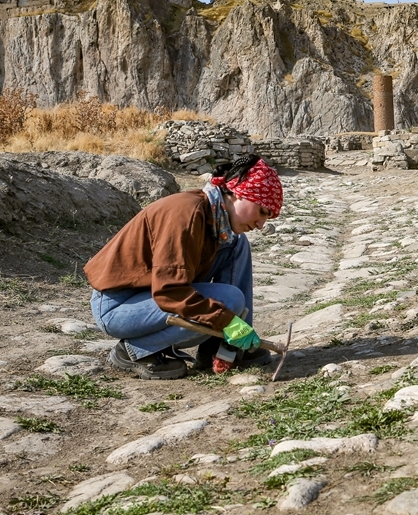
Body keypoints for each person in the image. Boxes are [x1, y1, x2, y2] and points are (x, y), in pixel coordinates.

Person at [84, 155, 282, 379]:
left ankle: (224, 348)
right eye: (262, 211)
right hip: (118, 306)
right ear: (237, 193)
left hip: (149, 295)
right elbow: (170, 291)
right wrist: (226, 321)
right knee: (229, 301)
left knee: (236, 243)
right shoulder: (186, 215)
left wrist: (236, 328)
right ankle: (134, 351)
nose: (260, 224)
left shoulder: (213, 215)